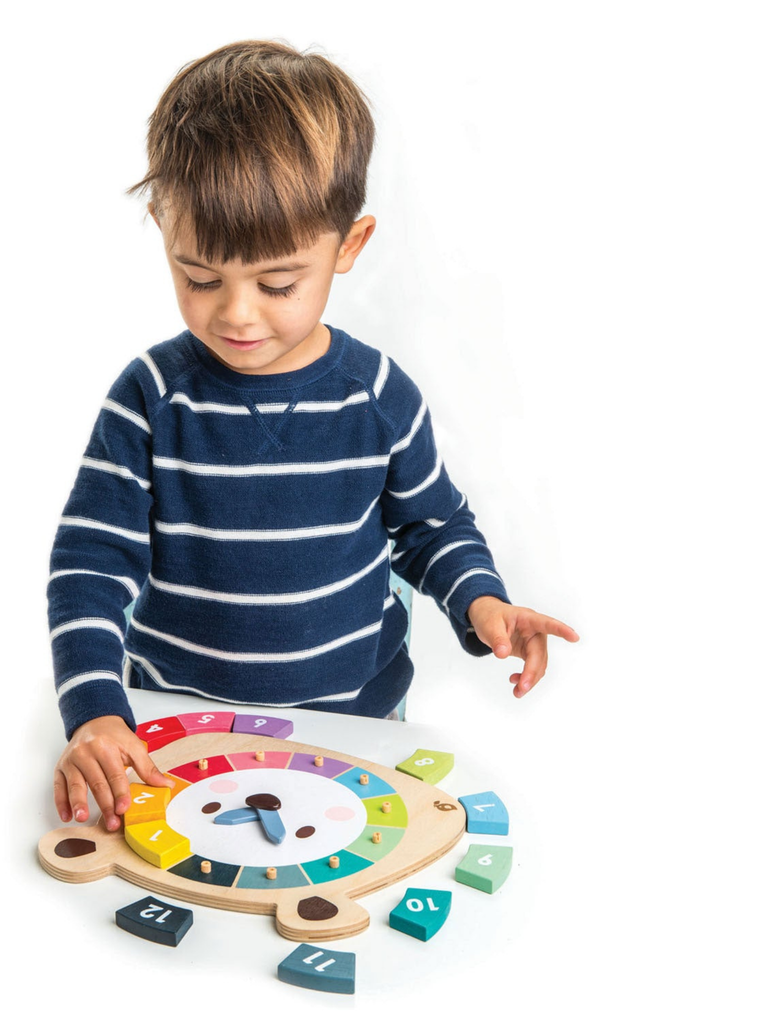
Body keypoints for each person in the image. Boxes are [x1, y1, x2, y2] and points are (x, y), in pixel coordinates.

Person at [48, 40, 578, 832]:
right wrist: (96, 709)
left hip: (355, 732)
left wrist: (481, 600)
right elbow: (92, 560)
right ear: (163, 227)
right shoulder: (149, 398)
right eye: (200, 278)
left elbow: (431, 527)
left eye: (277, 283)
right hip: (175, 735)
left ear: (349, 247)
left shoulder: (380, 397)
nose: (236, 313)